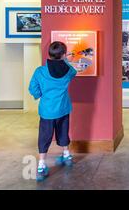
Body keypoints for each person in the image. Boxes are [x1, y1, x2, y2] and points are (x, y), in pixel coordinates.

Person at [28, 41, 77, 181]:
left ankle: (42, 164)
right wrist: (66, 61)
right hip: (63, 108)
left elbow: (33, 89)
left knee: (45, 136)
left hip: (47, 110)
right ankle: (66, 154)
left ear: (49, 54)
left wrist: (40, 95)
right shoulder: (68, 71)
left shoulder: (40, 71)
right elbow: (74, 72)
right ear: (63, 54)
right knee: (63, 131)